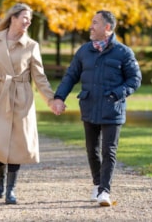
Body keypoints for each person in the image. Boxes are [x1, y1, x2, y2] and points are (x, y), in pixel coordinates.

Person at [0, 3, 64, 204]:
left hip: (21, 96)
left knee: (17, 143)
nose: (28, 21)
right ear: (13, 17)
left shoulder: (32, 46)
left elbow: (40, 77)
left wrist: (51, 100)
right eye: (24, 17)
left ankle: (11, 190)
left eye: (30, 18)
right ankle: (0, 178)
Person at [52, 10, 142, 207]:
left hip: (113, 109)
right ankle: (97, 183)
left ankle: (105, 191)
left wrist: (117, 94)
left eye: (95, 23)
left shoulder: (123, 52)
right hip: (89, 106)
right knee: (92, 150)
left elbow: (135, 80)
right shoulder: (84, 51)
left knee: (109, 150)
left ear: (107, 28)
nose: (90, 27)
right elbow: (70, 76)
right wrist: (59, 98)